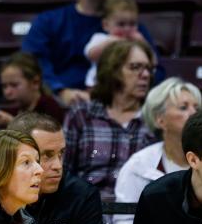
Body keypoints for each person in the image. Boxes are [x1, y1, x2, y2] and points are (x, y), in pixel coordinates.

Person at [22, 0, 159, 105]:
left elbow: (157, 70)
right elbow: (33, 63)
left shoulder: (128, 27)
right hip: (61, 107)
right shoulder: (49, 22)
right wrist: (60, 91)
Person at [63, 40, 157, 195]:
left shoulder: (155, 119)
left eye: (148, 68)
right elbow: (64, 170)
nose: (145, 74)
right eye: (135, 67)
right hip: (86, 209)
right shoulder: (82, 114)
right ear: (112, 71)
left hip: (135, 210)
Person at [113, 77, 202, 224]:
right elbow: (124, 222)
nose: (194, 113)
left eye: (196, 107)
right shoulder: (139, 165)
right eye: (183, 108)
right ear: (160, 120)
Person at [83, 0, 152, 88]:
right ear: (105, 25)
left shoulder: (137, 41)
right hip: (99, 84)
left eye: (132, 24)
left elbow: (152, 61)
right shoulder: (101, 38)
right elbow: (90, 55)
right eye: (121, 24)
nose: (127, 29)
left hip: (129, 84)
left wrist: (143, 43)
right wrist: (110, 42)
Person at [0, 52, 66, 128]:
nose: (7, 92)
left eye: (14, 85)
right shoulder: (12, 110)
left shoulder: (50, 107)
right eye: (4, 86)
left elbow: (46, 139)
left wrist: (12, 122)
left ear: (35, 83)